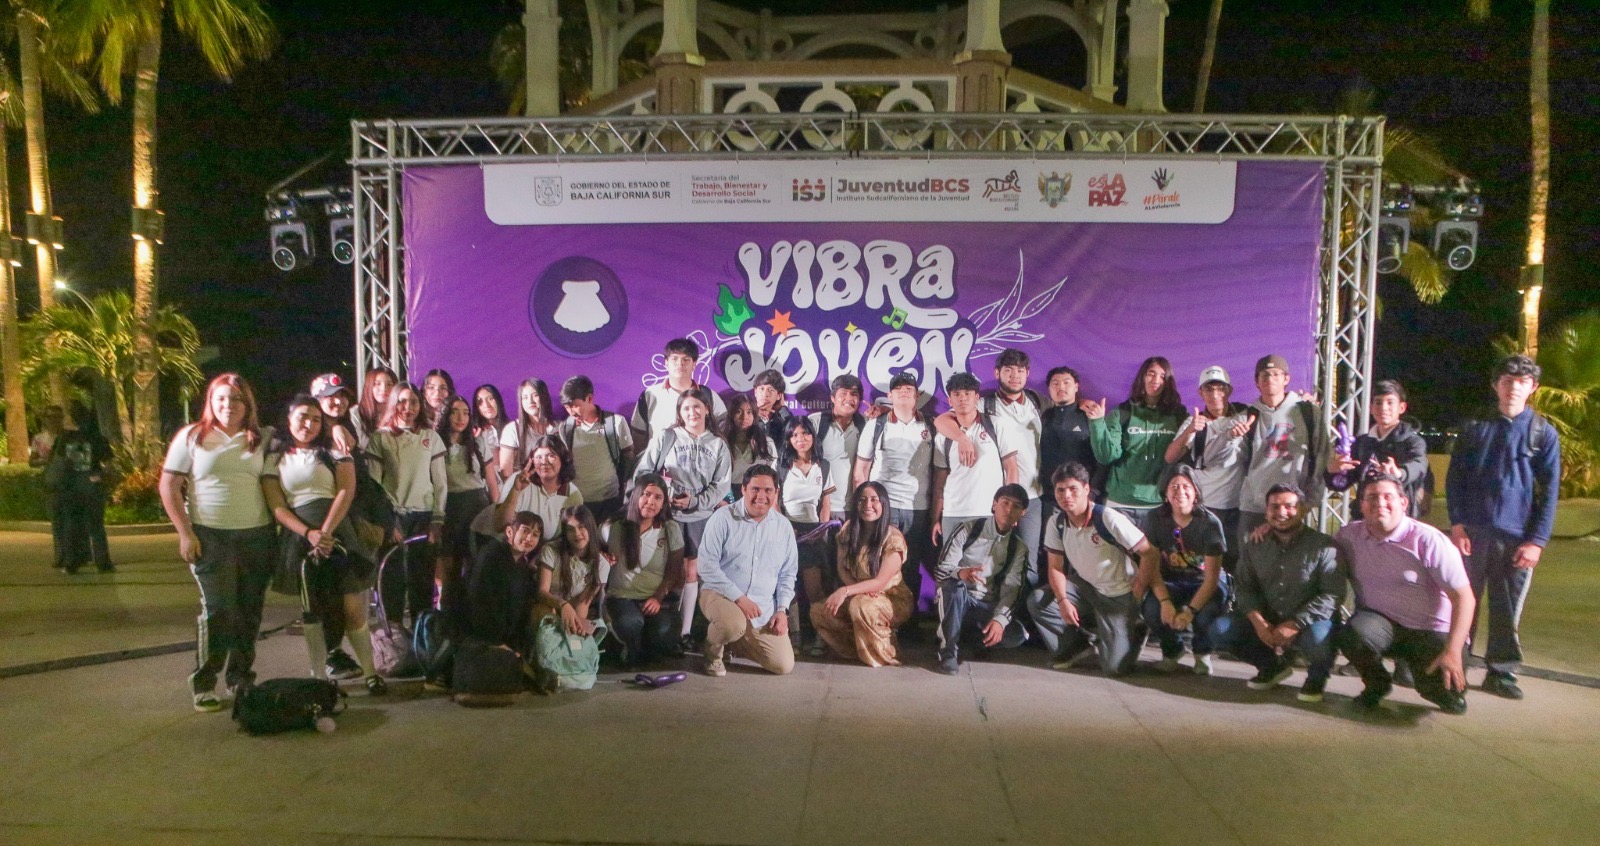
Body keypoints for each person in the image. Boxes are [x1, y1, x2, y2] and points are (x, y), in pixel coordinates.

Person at [158, 374, 276, 712]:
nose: (229, 405)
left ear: (247, 404)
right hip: (210, 536)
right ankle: (204, 681)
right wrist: (185, 533)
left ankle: (240, 678)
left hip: (257, 535)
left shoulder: (262, 438)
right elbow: (169, 486)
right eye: (221, 398)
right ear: (210, 401)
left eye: (236, 399)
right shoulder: (192, 437)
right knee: (219, 610)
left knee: (249, 611)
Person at [1446, 353, 1560, 701]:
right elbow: (1455, 479)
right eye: (1507, 381)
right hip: (1472, 535)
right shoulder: (1475, 428)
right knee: (1464, 601)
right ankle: (1455, 666)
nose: (1514, 388)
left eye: (1522, 382)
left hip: (1516, 541)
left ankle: (1501, 671)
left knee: (1506, 608)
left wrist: (1537, 541)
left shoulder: (1542, 433)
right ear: (1496, 385)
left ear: (1533, 387)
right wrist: (1457, 524)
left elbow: (1549, 492)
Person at [261, 395, 385, 695]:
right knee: (313, 610)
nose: (309, 424)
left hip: (340, 531)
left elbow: (346, 491)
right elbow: (277, 506)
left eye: (316, 419)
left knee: (353, 607)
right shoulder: (275, 457)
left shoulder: (334, 450)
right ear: (289, 419)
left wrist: (326, 532)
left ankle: (370, 673)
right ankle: (318, 677)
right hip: (300, 537)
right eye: (302, 417)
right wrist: (309, 534)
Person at [1337, 475, 1475, 714]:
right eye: (1372, 497)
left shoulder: (1429, 540)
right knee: (1353, 635)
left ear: (1403, 502)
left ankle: (1434, 685)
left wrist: (1452, 651)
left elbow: (1464, 598)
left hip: (1431, 631)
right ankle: (1377, 683)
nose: (1380, 503)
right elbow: (1314, 552)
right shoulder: (1348, 536)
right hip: (1382, 625)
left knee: (1445, 689)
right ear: (1362, 505)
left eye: (1387, 496)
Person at [1209, 483, 1344, 702]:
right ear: (1266, 512)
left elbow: (1332, 594)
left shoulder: (1323, 545)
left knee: (1319, 640)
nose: (1282, 512)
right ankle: (1272, 666)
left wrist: (1295, 624)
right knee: (1220, 630)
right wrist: (1259, 623)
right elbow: (1244, 587)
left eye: (1289, 506)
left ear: (1302, 510)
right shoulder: (1254, 545)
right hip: (1269, 615)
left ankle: (1317, 678)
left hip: (1310, 619)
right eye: (1275, 506)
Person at [1027, 462, 1160, 677]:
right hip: (1087, 588)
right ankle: (1078, 646)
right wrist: (1063, 600)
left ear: (1086, 489)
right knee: (1038, 601)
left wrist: (1139, 590)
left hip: (1119, 595)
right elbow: (1055, 567)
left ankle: (1135, 628)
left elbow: (1150, 553)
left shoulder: (1107, 518)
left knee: (1114, 669)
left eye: (1073, 489)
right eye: (1060, 490)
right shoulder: (1056, 522)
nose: (1066, 495)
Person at [632, 386, 730, 650]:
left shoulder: (718, 444)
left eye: (697, 406)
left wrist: (695, 501)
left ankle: (683, 632)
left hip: (700, 517)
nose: (692, 412)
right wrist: (663, 494)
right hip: (668, 515)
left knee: (691, 572)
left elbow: (721, 486)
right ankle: (656, 629)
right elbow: (643, 473)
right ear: (679, 412)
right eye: (686, 408)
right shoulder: (667, 437)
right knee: (667, 570)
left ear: (707, 409)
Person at [936, 350, 1046, 584]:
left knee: (1027, 561)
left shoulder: (1038, 402)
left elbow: (1065, 406)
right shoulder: (983, 404)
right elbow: (941, 419)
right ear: (997, 373)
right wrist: (962, 438)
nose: (1014, 375)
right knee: (987, 564)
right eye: (1008, 370)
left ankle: (1020, 606)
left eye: (1020, 370)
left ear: (1027, 373)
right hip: (997, 501)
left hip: (1032, 496)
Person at [695, 464, 799, 677]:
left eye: (768, 490)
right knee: (731, 625)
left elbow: (788, 574)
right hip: (719, 594)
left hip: (761, 608)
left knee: (783, 665)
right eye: (755, 489)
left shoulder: (783, 527)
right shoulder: (722, 518)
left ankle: (734, 642)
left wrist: (782, 610)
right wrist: (740, 598)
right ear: (743, 489)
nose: (761, 496)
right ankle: (713, 652)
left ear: (776, 493)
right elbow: (707, 566)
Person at [365, 382, 447, 628]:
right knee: (392, 582)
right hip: (393, 517)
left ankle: (421, 638)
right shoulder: (381, 438)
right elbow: (373, 487)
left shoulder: (430, 437)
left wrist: (437, 520)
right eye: (401, 401)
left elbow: (440, 483)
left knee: (422, 582)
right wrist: (386, 523)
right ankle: (393, 638)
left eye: (413, 402)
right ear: (393, 403)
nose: (408, 407)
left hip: (423, 517)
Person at [852, 369, 935, 612]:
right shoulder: (876, 425)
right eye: (898, 389)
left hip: (917, 508)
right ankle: (879, 615)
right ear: (890, 395)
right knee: (876, 563)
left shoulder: (932, 425)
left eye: (909, 389)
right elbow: (861, 470)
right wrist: (862, 508)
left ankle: (907, 618)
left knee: (911, 565)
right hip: (882, 508)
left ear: (917, 395)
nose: (903, 393)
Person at [932, 484, 1032, 675]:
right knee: (953, 587)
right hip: (958, 598)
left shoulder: (1018, 547)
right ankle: (948, 651)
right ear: (994, 504)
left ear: (1023, 513)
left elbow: (1012, 590)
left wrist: (1000, 620)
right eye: (1005, 503)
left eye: (1016, 506)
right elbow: (941, 571)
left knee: (1017, 635)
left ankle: (973, 639)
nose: (1009, 510)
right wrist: (961, 573)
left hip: (985, 604)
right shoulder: (967, 529)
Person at [812, 481, 914, 667]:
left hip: (891, 598)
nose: (868, 505)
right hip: (859, 595)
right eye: (862, 500)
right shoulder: (848, 530)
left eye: (874, 500)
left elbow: (880, 582)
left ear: (883, 504)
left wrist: (846, 591)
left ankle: (886, 652)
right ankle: (859, 649)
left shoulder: (893, 538)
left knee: (862, 606)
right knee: (820, 611)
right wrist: (856, 590)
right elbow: (842, 568)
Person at [1138, 465, 1228, 675]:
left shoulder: (1209, 523)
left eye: (1186, 486)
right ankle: (1173, 649)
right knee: (1152, 610)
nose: (1180, 492)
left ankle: (1202, 653)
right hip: (1169, 580)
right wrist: (1165, 602)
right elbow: (1152, 568)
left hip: (1203, 582)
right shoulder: (1154, 519)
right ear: (1165, 493)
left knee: (1205, 616)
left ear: (1196, 492)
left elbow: (1211, 579)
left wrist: (1189, 612)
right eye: (1174, 486)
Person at [1164, 365, 1253, 571]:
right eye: (1209, 389)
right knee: (1202, 567)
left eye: (1220, 388)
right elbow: (1170, 457)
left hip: (1238, 507)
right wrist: (1190, 431)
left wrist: (1304, 403)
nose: (1215, 395)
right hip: (1205, 508)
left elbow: (1272, 410)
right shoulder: (1195, 422)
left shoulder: (1245, 414)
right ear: (1200, 393)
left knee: (1236, 565)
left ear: (1229, 390)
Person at [1084, 356, 1185, 526]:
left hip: (1159, 503)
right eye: (1151, 374)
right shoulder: (1122, 412)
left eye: (1162, 376)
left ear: (1168, 382)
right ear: (1142, 377)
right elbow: (1106, 456)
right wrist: (1097, 422)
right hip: (1120, 502)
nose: (1156, 380)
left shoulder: (1178, 415)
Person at [1238, 354, 1327, 543]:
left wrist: (1308, 503)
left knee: (1293, 559)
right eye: (1264, 375)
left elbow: (1321, 457)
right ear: (1256, 381)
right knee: (1250, 558)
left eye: (1276, 374)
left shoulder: (1307, 412)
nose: (1270, 379)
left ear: (1286, 379)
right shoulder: (1248, 415)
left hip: (1293, 507)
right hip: (1255, 508)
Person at [604, 474, 686, 667]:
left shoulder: (670, 528)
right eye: (646, 494)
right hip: (621, 597)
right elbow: (594, 546)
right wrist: (602, 554)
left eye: (658, 497)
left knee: (665, 632)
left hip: (655, 599)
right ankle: (626, 644)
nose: (651, 502)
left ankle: (643, 645)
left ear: (664, 503)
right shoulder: (614, 526)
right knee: (630, 623)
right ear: (636, 496)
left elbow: (675, 570)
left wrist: (658, 597)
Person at [931, 371, 1019, 545]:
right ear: (950, 401)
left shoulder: (996, 425)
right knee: (953, 563)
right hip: (953, 513)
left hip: (988, 513)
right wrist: (935, 518)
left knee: (989, 562)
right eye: (957, 394)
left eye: (967, 393)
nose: (962, 398)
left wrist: (1011, 509)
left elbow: (1011, 468)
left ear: (977, 398)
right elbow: (940, 482)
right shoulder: (943, 436)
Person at [1325, 379, 1430, 516]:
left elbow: (1419, 465)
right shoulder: (1362, 442)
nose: (1383, 408)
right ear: (1371, 408)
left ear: (1402, 408)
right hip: (1365, 517)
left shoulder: (1412, 441)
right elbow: (1343, 483)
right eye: (1378, 402)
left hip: (1398, 517)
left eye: (1390, 402)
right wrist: (1332, 471)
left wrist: (1399, 473)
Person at [531, 505, 607, 691]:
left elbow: (584, 602)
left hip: (573, 610)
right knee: (545, 613)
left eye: (582, 527)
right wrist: (563, 606)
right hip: (549, 606)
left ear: (591, 527)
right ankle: (538, 665)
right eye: (571, 529)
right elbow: (542, 592)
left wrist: (576, 623)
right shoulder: (551, 550)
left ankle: (568, 670)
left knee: (579, 630)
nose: (577, 534)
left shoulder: (602, 563)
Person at [776, 415, 834, 656]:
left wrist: (821, 530)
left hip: (813, 533)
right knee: (787, 587)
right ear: (789, 439)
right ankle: (794, 636)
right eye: (795, 435)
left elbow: (826, 503)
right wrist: (784, 528)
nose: (801, 439)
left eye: (805, 433)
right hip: (787, 531)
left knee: (814, 589)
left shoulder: (824, 465)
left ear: (813, 436)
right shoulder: (781, 466)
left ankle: (821, 635)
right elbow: (774, 503)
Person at [438, 395, 495, 621]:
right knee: (449, 572)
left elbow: (491, 481)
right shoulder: (436, 443)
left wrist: (498, 511)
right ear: (445, 414)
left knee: (476, 567)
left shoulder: (478, 443)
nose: (461, 417)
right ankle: (446, 622)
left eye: (466, 412)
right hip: (449, 508)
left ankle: (473, 621)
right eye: (455, 412)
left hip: (477, 508)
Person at [44, 404, 113, 574]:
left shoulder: (65, 438)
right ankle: (103, 562)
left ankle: (72, 562)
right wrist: (102, 479)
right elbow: (108, 465)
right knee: (96, 525)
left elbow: (58, 462)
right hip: (93, 485)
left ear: (72, 419)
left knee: (71, 524)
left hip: (71, 486)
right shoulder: (98, 438)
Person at [556, 375, 634, 522]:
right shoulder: (565, 428)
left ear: (590, 398)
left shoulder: (616, 423)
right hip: (578, 501)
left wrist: (627, 492)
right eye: (567, 407)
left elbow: (629, 459)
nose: (571, 411)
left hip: (611, 500)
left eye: (575, 405)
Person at [462, 511, 543, 653]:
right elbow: (480, 601)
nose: (529, 538)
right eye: (525, 531)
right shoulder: (492, 555)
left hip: (508, 640)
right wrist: (496, 642)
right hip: (482, 638)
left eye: (535, 535)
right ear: (510, 532)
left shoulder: (522, 566)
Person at [631, 337, 728, 445]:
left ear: (694, 364)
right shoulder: (650, 395)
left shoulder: (708, 395)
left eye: (686, 359)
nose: (680, 363)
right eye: (674, 359)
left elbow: (725, 428)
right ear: (666, 363)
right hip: (660, 455)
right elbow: (638, 434)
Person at [496, 434, 584, 536]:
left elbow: (571, 535)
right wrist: (515, 490)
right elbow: (500, 525)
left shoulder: (573, 495)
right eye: (538, 457)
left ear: (563, 460)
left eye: (551, 456)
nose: (544, 462)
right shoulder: (519, 480)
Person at [807, 374, 866, 525]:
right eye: (843, 393)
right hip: (818, 507)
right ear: (832, 398)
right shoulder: (815, 422)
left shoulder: (866, 425)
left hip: (852, 509)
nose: (849, 398)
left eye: (854, 394)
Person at [1039, 365, 1097, 498]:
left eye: (1066, 382)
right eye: (1055, 383)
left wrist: (1094, 489)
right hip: (1049, 494)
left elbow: (1101, 456)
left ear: (1076, 387)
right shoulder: (1042, 416)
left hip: (1082, 494)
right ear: (1049, 389)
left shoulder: (1090, 415)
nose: (1061, 387)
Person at [497, 378, 557, 481]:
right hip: (524, 486)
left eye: (535, 395)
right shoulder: (512, 430)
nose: (530, 401)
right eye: (525, 397)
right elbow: (506, 472)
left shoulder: (557, 428)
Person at [724, 393, 777, 497]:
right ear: (731, 415)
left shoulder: (766, 443)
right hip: (728, 495)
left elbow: (774, 476)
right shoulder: (722, 443)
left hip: (758, 494)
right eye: (738, 412)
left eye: (749, 412)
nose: (744, 417)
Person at [470, 384, 509, 487]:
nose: (486, 405)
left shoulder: (512, 428)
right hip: (485, 482)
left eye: (490, 399)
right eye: (480, 402)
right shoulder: (475, 432)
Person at [751, 368, 793, 447]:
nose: (765, 394)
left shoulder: (781, 419)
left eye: (770, 390)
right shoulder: (747, 417)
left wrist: (782, 408)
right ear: (755, 392)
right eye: (761, 389)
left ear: (779, 395)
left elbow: (793, 432)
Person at [356, 366, 397, 438]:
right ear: (369, 386)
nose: (383, 389)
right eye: (378, 384)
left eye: (389, 384)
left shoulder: (400, 413)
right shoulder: (357, 413)